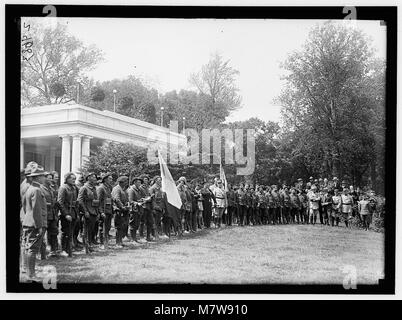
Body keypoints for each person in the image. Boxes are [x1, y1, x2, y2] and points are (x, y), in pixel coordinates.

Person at [21, 165, 47, 281]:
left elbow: (25, 207)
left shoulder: (29, 188)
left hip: (28, 221)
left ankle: (28, 272)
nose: (44, 178)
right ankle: (31, 274)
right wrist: (39, 226)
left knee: (27, 248)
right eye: (42, 176)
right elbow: (36, 209)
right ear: (37, 177)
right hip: (35, 223)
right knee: (32, 249)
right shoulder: (36, 190)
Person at [78, 172, 100, 254]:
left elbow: (96, 201)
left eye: (95, 177)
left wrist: (97, 212)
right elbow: (80, 200)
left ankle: (90, 245)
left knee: (91, 230)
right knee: (86, 230)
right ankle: (86, 247)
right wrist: (85, 211)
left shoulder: (94, 188)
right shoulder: (84, 188)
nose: (95, 178)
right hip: (88, 212)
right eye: (93, 177)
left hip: (94, 212)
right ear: (88, 178)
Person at [58, 172, 79, 257]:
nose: (74, 180)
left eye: (75, 179)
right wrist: (66, 214)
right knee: (65, 232)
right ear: (66, 179)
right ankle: (63, 250)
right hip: (66, 213)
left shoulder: (74, 188)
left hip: (73, 212)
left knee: (71, 232)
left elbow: (77, 201)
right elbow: (60, 202)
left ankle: (69, 249)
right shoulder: (63, 188)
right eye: (72, 178)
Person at [41, 172, 59, 257]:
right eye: (48, 178)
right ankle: (41, 253)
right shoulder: (40, 189)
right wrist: (46, 204)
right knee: (41, 234)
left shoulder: (51, 189)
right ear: (44, 179)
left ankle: (53, 251)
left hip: (52, 214)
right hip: (44, 215)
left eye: (51, 178)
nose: (50, 179)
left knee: (54, 232)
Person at [97, 172, 114, 249]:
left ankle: (106, 242)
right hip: (103, 210)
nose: (111, 180)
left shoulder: (109, 187)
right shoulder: (101, 188)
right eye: (110, 178)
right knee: (102, 228)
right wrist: (101, 212)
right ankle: (101, 243)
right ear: (105, 179)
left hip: (109, 210)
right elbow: (99, 201)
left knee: (107, 227)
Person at [112, 175, 130, 248]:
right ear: (121, 182)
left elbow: (127, 199)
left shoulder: (123, 189)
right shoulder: (117, 189)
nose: (127, 183)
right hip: (119, 210)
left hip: (124, 209)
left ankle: (120, 242)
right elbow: (117, 199)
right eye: (126, 181)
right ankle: (117, 243)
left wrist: (127, 205)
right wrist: (122, 207)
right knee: (118, 227)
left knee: (123, 226)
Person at [128, 176, 145, 243]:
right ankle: (133, 239)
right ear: (134, 183)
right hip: (134, 209)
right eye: (138, 182)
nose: (140, 183)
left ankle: (135, 238)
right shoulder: (131, 190)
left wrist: (143, 199)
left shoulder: (140, 189)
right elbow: (130, 200)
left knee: (137, 224)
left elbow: (142, 197)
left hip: (139, 209)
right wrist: (137, 203)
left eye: (140, 182)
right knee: (133, 224)